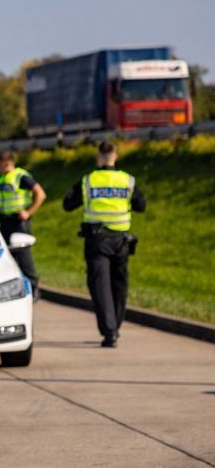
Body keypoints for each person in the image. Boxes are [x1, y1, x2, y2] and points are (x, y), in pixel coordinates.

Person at [62, 141, 146, 347]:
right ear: (115, 157)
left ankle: (110, 332)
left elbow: (68, 204)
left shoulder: (88, 181)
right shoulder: (127, 180)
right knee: (119, 285)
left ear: (98, 157)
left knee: (100, 286)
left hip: (97, 241)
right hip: (121, 241)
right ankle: (115, 325)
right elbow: (141, 205)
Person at [0, 151, 46, 298]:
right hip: (5, 221)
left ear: (7, 162)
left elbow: (40, 194)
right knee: (9, 258)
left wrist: (29, 212)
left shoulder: (20, 176)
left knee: (24, 258)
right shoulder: (3, 178)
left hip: (19, 222)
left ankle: (34, 289)